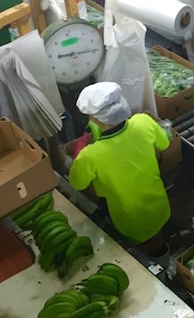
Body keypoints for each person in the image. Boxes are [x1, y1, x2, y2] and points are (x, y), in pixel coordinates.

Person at [69, 82, 171, 257]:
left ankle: (147, 264)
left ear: (94, 118)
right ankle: (162, 256)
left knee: (137, 247)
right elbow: (165, 142)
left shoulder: (91, 155)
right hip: (157, 202)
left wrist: (79, 156)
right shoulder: (143, 122)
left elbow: (77, 182)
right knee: (156, 234)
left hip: (128, 217)